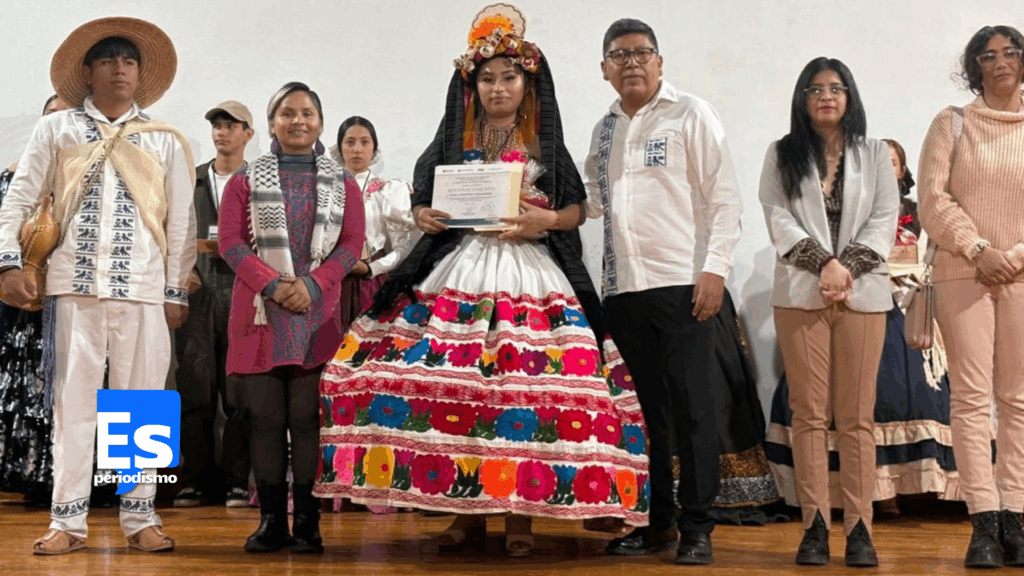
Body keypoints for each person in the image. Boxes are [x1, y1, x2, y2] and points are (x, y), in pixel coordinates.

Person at [314, 3, 648, 557]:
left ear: (527, 84)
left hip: (531, 272)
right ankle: (462, 512)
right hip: (459, 267)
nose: (497, 88)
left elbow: (576, 211)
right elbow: (423, 198)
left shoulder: (544, 142)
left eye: (508, 78)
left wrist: (545, 220)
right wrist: (422, 214)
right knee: (455, 390)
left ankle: (520, 516)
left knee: (524, 393)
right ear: (472, 86)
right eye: (487, 78)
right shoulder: (453, 138)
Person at [0, 17, 197, 554]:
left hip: (144, 289)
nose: (119, 70)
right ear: (88, 72)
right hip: (73, 287)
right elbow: (19, 199)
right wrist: (9, 264)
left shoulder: (164, 139)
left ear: (140, 73)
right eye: (108, 60)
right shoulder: (56, 130)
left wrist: (175, 290)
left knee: (142, 405)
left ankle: (141, 517)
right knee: (73, 404)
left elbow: (181, 221)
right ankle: (66, 521)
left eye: (128, 61)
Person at [583, 18, 745, 565]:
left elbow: (724, 197)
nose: (631, 63)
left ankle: (697, 527)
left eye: (641, 53)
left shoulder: (690, 114)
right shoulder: (604, 130)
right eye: (619, 55)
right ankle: (657, 523)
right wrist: (533, 201)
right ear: (604, 69)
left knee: (694, 411)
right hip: (623, 291)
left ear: (659, 61)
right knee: (645, 416)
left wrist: (715, 270)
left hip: (684, 285)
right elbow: (591, 201)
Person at [765, 138, 960, 519]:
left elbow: (929, 260)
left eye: (893, 162)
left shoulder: (917, 214)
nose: (886, 167)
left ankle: (911, 484)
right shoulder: (847, 210)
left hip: (904, 303)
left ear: (901, 171)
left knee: (914, 386)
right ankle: (846, 498)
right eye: (880, 161)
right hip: (849, 295)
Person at [758, 57, 898, 567]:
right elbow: (777, 216)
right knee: (809, 416)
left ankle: (860, 528)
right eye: (815, 89)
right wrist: (824, 264)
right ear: (802, 99)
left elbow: (885, 217)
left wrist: (846, 269)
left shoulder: (875, 152)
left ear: (849, 96)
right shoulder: (782, 153)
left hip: (862, 294)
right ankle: (814, 526)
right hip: (801, 293)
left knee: (857, 418)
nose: (826, 97)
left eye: (836, 88)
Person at [219, 81, 364, 554]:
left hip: (317, 315)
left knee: (306, 421)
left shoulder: (343, 183)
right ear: (271, 123)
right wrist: (274, 284)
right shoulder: (244, 180)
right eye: (287, 113)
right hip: (260, 313)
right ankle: (270, 522)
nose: (297, 121)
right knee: (264, 419)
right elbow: (230, 243)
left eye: (307, 113)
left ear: (320, 123)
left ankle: (307, 522)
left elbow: (351, 245)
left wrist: (312, 285)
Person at [918, 25, 1024, 569]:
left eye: (1011, 52)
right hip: (963, 271)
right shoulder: (952, 122)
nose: (1001, 62)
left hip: (1022, 273)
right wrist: (979, 249)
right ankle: (983, 520)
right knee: (971, 398)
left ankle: (1016, 516)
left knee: (1018, 399)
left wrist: (1015, 254)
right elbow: (933, 201)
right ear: (974, 66)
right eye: (988, 55)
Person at [172, 100, 255, 509]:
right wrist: (181, 278)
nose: (222, 132)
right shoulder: (192, 180)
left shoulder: (260, 183)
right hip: (198, 293)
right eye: (217, 125)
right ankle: (193, 481)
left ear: (248, 134)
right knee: (194, 389)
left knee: (240, 394)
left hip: (244, 294)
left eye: (230, 125)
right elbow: (174, 232)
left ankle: (238, 481)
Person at [0, 94, 69, 507]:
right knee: (28, 387)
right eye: (51, 117)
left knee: (103, 385)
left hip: (84, 298)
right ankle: (31, 475)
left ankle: (125, 485)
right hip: (23, 308)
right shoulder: (13, 179)